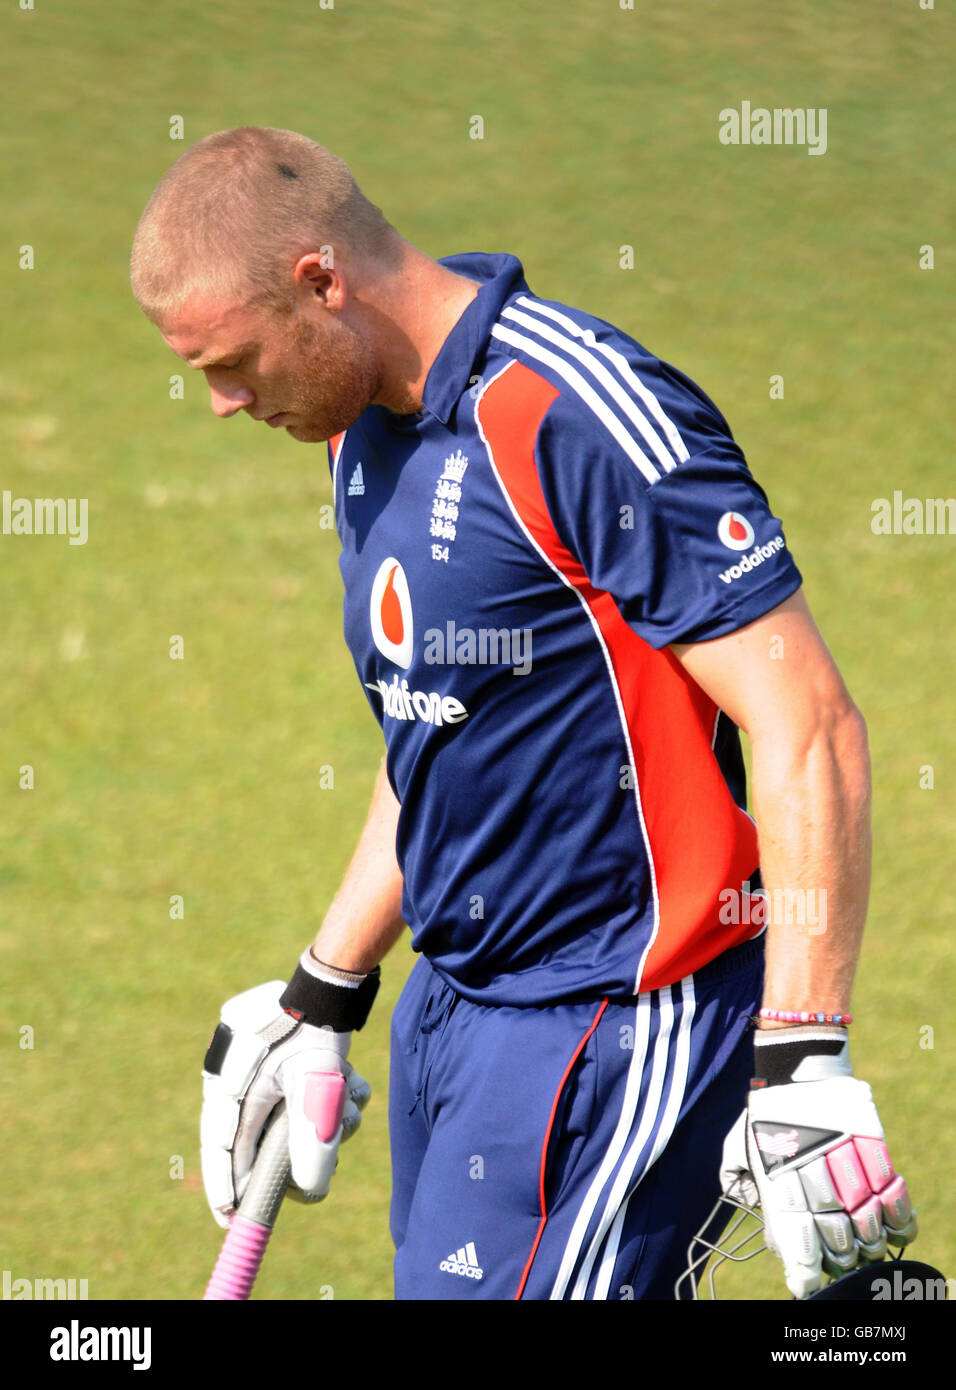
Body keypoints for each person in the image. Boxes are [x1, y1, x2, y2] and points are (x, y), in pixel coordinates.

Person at [130, 126, 917, 1300]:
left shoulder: (574, 414)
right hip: (455, 1018)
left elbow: (805, 719)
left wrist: (802, 1053)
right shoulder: (359, 428)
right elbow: (440, 730)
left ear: (319, 282)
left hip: (617, 1021)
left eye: (231, 362)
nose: (224, 403)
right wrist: (324, 986)